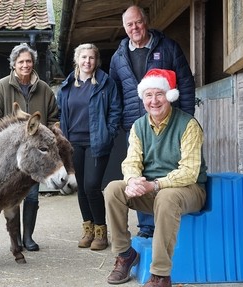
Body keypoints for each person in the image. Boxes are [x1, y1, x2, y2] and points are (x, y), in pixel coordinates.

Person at [104, 68, 207, 286]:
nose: (154, 101)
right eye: (148, 95)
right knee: (113, 189)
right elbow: (131, 161)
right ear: (143, 99)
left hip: (189, 190)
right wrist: (133, 181)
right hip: (151, 189)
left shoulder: (188, 125)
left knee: (166, 197)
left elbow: (190, 172)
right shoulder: (138, 126)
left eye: (159, 94)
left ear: (169, 96)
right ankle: (125, 254)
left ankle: (160, 275)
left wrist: (155, 185)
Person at [109, 5, 196, 239]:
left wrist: (187, 117)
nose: (134, 28)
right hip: (135, 125)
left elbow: (185, 83)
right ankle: (147, 227)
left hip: (169, 122)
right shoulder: (118, 57)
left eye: (138, 22)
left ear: (145, 22)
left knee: (168, 169)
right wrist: (119, 122)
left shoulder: (168, 48)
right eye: (129, 24)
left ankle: (170, 219)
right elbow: (114, 93)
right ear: (125, 28)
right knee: (139, 170)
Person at [0, 42, 59, 251]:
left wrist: (49, 135)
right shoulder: (0, 88)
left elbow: (53, 119)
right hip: (8, 158)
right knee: (8, 198)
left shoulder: (44, 89)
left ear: (33, 63)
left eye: (29, 61)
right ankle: (13, 240)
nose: (25, 65)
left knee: (31, 196)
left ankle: (28, 237)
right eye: (21, 61)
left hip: (34, 156)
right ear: (14, 64)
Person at [56, 43, 121, 250]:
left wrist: (109, 133)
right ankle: (88, 229)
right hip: (73, 144)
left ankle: (101, 231)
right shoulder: (67, 86)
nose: (87, 61)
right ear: (77, 60)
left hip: (96, 141)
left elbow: (115, 110)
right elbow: (61, 114)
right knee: (81, 188)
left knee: (92, 185)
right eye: (83, 57)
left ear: (96, 60)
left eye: (91, 58)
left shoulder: (105, 83)